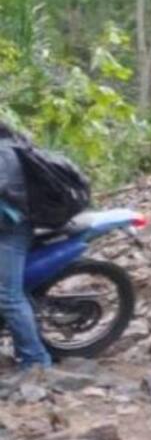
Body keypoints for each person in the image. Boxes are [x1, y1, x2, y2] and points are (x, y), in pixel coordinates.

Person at [0, 123, 53, 370]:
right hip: (9, 223)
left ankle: (36, 361)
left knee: (7, 295)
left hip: (12, 229)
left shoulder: (4, 154)